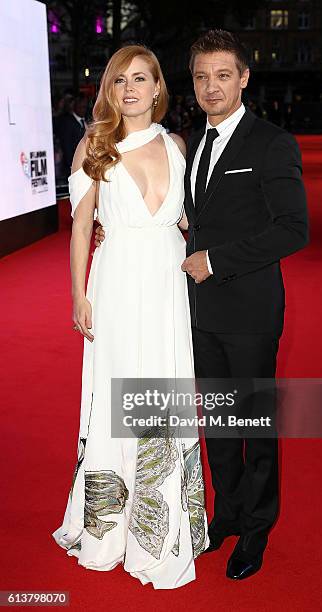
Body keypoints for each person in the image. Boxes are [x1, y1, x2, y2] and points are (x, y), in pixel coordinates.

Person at [95, 29, 309, 582]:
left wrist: (215, 260)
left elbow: (293, 229)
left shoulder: (271, 143)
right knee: (218, 424)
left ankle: (257, 529)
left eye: (222, 75)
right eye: (201, 76)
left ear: (243, 78)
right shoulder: (188, 144)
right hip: (194, 314)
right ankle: (228, 514)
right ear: (191, 84)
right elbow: (190, 215)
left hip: (250, 313)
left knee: (253, 424)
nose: (211, 86)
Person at [52, 44, 209, 590]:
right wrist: (78, 295)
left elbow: (188, 218)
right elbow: (80, 227)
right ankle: (108, 528)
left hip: (166, 285)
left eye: (141, 78)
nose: (132, 89)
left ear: (159, 86)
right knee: (118, 395)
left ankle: (161, 532)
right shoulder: (95, 145)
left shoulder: (177, 145)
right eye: (121, 81)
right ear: (110, 91)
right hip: (116, 283)